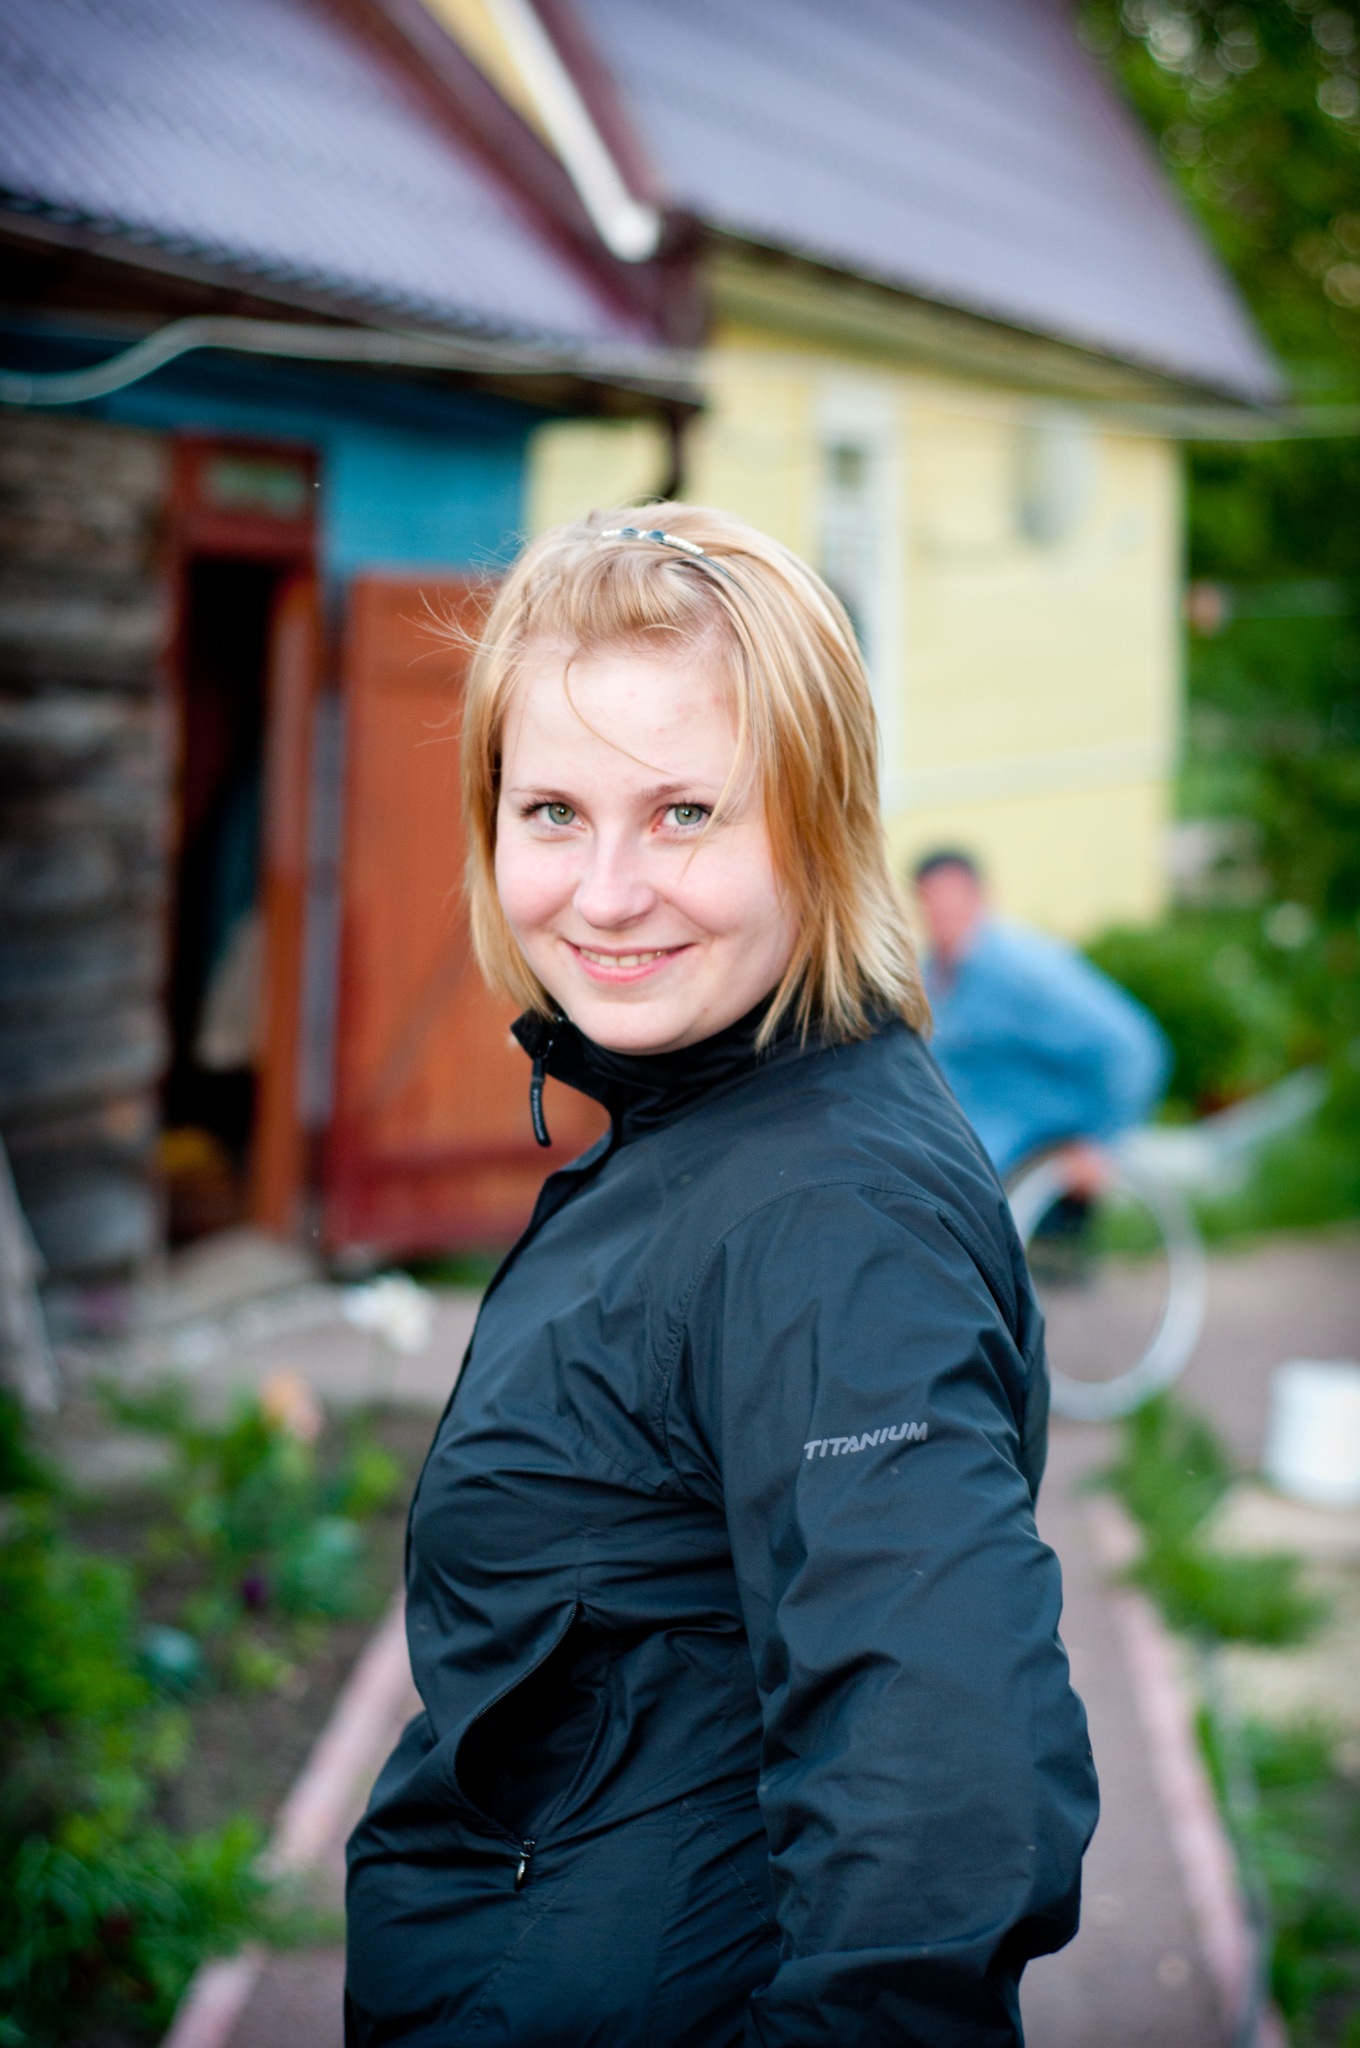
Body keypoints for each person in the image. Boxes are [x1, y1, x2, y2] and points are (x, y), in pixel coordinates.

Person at [345, 509, 1097, 2047]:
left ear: (819, 825)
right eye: (553, 811)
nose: (607, 891)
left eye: (684, 811)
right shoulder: (704, 1119)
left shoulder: (833, 1217)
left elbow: (944, 1810)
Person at [912, 850, 1169, 1190]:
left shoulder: (1026, 972)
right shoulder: (930, 974)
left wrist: (1101, 1144)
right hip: (957, 1147)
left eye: (950, 898)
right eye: (929, 899)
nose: (940, 911)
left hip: (1021, 1158)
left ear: (979, 897)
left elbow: (1131, 1050)